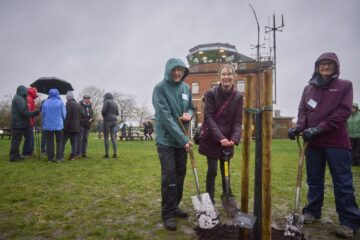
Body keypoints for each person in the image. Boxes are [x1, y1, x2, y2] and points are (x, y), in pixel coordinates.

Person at [288, 52, 360, 238]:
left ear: (336, 66)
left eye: (330, 64)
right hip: (313, 143)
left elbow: (343, 111)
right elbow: (303, 111)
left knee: (342, 182)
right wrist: (298, 128)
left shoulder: (344, 86)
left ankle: (349, 222)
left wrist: (319, 128)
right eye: (322, 64)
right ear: (317, 67)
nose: (326, 67)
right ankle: (312, 211)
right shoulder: (308, 89)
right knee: (314, 179)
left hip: (336, 141)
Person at [152, 58, 194, 231]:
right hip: (167, 140)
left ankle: (174, 205)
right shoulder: (159, 89)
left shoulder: (186, 88)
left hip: (182, 139)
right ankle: (167, 213)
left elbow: (191, 107)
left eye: (180, 70)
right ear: (168, 70)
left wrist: (189, 114)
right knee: (169, 176)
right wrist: (184, 140)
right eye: (174, 69)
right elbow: (166, 118)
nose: (177, 73)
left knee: (180, 174)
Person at [198, 63, 243, 204]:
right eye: (224, 74)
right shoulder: (210, 94)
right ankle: (209, 200)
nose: (226, 77)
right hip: (212, 138)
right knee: (212, 170)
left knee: (226, 170)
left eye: (229, 74)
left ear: (234, 77)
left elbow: (237, 121)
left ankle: (227, 195)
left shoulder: (238, 97)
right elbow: (209, 118)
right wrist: (220, 138)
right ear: (219, 77)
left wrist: (234, 139)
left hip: (228, 140)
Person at [9, 85, 39, 162]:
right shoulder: (19, 99)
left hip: (19, 123)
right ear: (22, 91)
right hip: (18, 124)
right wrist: (33, 113)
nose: (26, 93)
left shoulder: (20, 98)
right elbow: (23, 112)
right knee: (16, 142)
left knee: (17, 141)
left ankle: (17, 156)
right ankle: (13, 157)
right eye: (25, 92)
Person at [42, 89, 66, 163]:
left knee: (49, 142)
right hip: (58, 125)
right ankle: (59, 158)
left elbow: (43, 113)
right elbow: (64, 115)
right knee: (59, 141)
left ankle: (50, 158)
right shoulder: (60, 102)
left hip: (48, 125)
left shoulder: (45, 102)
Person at [62, 92, 81, 160]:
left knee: (62, 142)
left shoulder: (69, 104)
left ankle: (60, 155)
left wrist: (64, 127)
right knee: (74, 143)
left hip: (69, 128)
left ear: (67, 98)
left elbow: (67, 116)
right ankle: (73, 156)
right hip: (76, 127)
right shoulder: (78, 105)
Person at [22, 87, 38, 158]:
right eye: (35, 92)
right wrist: (33, 115)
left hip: (30, 121)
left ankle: (30, 152)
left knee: (31, 137)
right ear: (33, 92)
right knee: (29, 138)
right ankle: (25, 153)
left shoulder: (29, 98)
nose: (36, 93)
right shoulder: (29, 99)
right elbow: (27, 112)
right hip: (28, 122)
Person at [101, 92, 119, 158]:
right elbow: (117, 113)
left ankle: (107, 154)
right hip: (114, 121)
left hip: (107, 121)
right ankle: (115, 154)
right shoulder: (115, 103)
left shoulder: (106, 102)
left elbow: (103, 111)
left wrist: (104, 116)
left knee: (106, 137)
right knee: (113, 137)